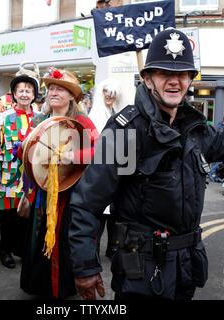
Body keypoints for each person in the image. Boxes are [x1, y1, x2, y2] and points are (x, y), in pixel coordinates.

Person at [68, 28, 224, 301]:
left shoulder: (196, 128)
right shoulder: (127, 132)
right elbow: (87, 203)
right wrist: (85, 267)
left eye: (182, 74)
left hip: (186, 267)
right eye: (165, 73)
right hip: (141, 270)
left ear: (190, 80)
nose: (174, 81)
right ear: (148, 78)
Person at [20, 67, 98, 299]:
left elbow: (101, 151)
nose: (53, 92)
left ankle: (61, 288)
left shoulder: (81, 121)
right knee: (39, 235)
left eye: (60, 89)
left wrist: (73, 157)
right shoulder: (40, 119)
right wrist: (22, 150)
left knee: (63, 240)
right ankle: (40, 286)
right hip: (43, 190)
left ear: (72, 95)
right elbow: (31, 152)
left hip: (70, 191)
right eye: (51, 88)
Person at [0, 64, 40, 268]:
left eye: (28, 90)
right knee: (7, 217)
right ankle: (5, 251)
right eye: (20, 90)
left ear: (34, 95)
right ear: (14, 94)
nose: (24, 94)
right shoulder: (4, 117)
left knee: (27, 216)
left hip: (33, 177)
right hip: (7, 175)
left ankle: (22, 249)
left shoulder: (40, 119)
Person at [88, 78, 124, 258]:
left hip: (115, 167)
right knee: (100, 212)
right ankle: (94, 250)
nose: (109, 96)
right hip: (99, 168)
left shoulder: (116, 112)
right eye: (106, 92)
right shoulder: (94, 115)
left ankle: (112, 247)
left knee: (114, 212)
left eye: (112, 93)